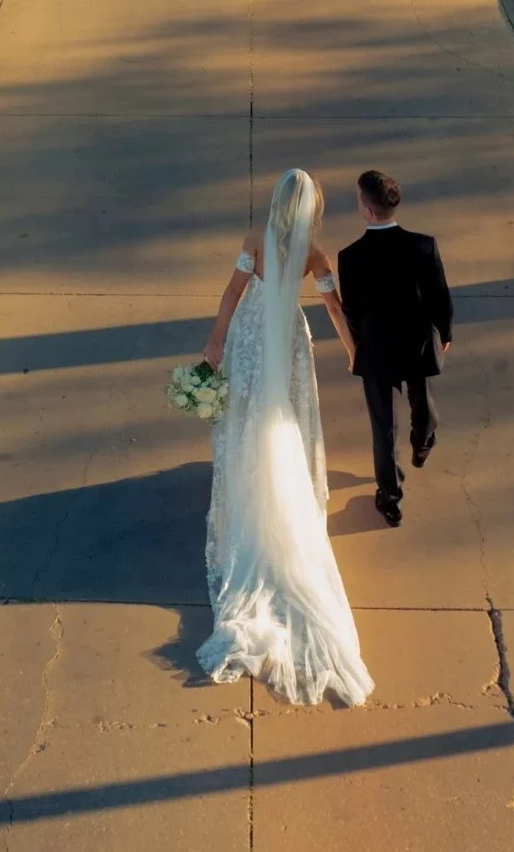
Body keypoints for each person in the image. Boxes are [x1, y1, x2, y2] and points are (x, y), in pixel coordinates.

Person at [195, 168, 374, 706]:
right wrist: (351, 349)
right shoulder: (313, 251)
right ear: (311, 207)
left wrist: (216, 340)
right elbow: (333, 305)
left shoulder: (255, 238)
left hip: (253, 331)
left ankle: (250, 480)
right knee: (287, 415)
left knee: (249, 411)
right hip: (289, 338)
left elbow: (233, 291)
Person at [337, 170, 453, 528]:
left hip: (376, 352)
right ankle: (423, 441)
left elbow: (352, 310)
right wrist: (444, 332)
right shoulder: (423, 245)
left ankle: (390, 500)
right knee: (423, 402)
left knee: (383, 429)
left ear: (368, 211)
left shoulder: (350, 256)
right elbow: (439, 295)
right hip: (416, 344)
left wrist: (356, 346)